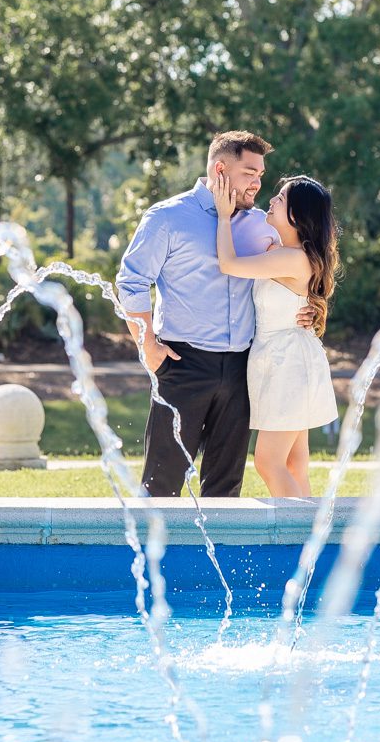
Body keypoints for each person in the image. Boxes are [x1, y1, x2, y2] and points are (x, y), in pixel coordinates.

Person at [115, 130, 312, 497]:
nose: (257, 183)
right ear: (220, 169)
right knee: (162, 484)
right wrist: (148, 345)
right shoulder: (168, 217)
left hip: (242, 368)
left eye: (260, 175)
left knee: (225, 489)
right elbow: (131, 282)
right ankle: (155, 555)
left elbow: (306, 265)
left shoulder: (263, 223)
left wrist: (312, 307)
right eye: (249, 173)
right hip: (182, 363)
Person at [213, 172, 340, 497]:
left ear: (296, 216)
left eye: (280, 199)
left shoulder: (290, 258)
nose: (271, 200)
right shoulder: (288, 255)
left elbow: (228, 264)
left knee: (268, 463)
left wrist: (224, 216)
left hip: (288, 365)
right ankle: (310, 540)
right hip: (287, 359)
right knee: (296, 463)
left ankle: (299, 540)